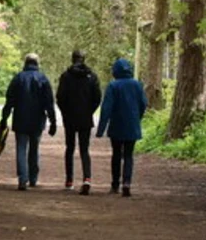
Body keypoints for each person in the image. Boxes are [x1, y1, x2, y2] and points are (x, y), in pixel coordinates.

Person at [0, 52, 56, 190]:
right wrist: (52, 121)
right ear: (37, 63)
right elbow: (49, 102)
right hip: (37, 120)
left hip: (20, 118)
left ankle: (22, 179)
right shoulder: (42, 79)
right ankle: (33, 178)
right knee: (34, 149)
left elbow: (9, 100)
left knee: (21, 148)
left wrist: (4, 118)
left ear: (25, 63)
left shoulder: (18, 78)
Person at [95, 56, 148, 197]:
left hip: (117, 125)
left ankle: (115, 184)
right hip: (132, 125)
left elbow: (106, 108)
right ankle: (127, 182)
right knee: (129, 155)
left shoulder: (113, 86)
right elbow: (143, 104)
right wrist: (137, 118)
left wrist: (101, 129)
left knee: (116, 155)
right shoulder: (137, 85)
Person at [56, 50, 101, 194]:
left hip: (70, 118)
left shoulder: (66, 76)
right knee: (84, 149)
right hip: (85, 118)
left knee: (69, 148)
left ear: (72, 59)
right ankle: (87, 178)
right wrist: (89, 111)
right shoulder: (91, 76)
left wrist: (65, 112)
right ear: (83, 59)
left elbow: (60, 97)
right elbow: (97, 97)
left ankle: (69, 180)